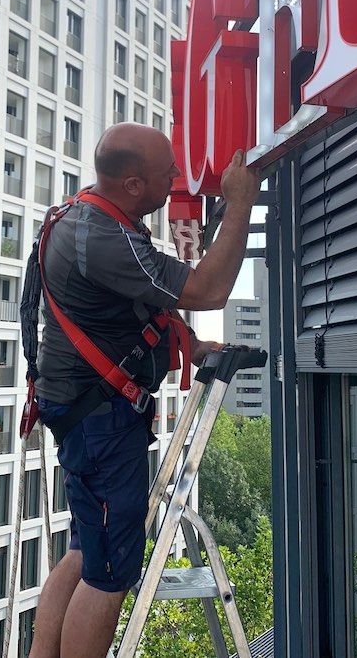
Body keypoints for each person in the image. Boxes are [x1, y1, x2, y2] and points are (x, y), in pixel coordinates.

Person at [29, 122, 260, 658]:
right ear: (133, 184)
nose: (177, 177)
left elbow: (131, 308)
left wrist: (190, 347)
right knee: (110, 575)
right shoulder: (104, 238)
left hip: (83, 412)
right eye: (166, 173)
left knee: (88, 550)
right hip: (102, 421)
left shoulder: (86, 218)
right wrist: (241, 203)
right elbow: (208, 289)